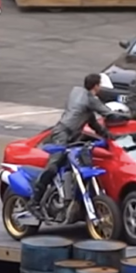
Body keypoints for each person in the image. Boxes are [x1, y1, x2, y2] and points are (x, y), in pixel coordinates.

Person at [28, 73, 116, 215]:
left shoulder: (79, 95)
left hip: (71, 136)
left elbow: (94, 124)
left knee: (73, 166)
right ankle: (34, 202)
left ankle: (67, 199)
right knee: (52, 167)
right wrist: (129, 116)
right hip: (63, 134)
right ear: (96, 86)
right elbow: (108, 113)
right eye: (100, 85)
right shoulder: (89, 99)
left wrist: (108, 137)